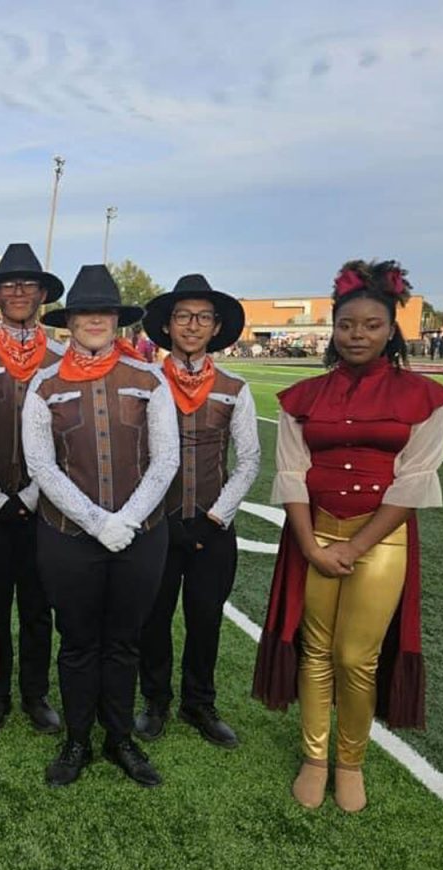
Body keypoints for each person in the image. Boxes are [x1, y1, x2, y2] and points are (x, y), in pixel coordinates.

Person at [253, 260, 443, 813]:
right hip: (313, 534)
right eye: (346, 325)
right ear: (333, 328)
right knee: (315, 651)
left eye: (370, 324)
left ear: (392, 330)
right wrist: (313, 545)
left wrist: (355, 546)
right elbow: (291, 474)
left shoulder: (424, 397)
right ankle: (314, 757)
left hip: (380, 542)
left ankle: (351, 761)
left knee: (354, 657)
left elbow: (415, 480)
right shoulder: (302, 397)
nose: (356, 335)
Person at [23, 265, 179, 788]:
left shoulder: (150, 378)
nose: (94, 321)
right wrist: (95, 521)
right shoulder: (45, 383)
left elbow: (166, 460)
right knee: (77, 641)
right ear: (68, 321)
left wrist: (127, 521)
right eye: (84, 313)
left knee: (124, 641)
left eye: (104, 312)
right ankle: (76, 739)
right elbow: (41, 466)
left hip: (140, 534)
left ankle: (120, 739)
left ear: (117, 319)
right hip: (67, 536)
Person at [133, 275, 260, 750]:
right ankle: (155, 700)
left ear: (216, 327)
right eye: (183, 316)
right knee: (154, 616)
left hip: (212, 528)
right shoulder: (145, 383)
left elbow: (248, 460)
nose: (192, 325)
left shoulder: (234, 388)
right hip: (156, 526)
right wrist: (155, 517)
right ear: (167, 325)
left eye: (202, 317)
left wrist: (216, 516)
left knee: (205, 616)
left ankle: (199, 702)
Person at [0, 243, 65, 734]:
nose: (19, 291)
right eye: (10, 284)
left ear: (43, 293)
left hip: (49, 505)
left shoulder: (67, 359)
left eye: (28, 284)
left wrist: (33, 494)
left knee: (39, 605)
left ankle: (36, 693)